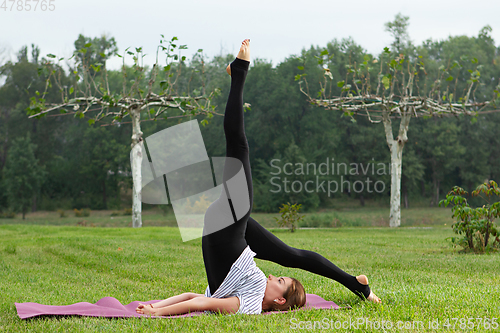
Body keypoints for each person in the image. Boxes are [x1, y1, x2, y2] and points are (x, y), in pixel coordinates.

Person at [136, 39, 380, 317]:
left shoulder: (250, 302)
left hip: (227, 230)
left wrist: (157, 311)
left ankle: (239, 71)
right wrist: (157, 307)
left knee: (238, 146)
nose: (273, 277)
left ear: (277, 302)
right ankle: (357, 284)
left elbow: (200, 302)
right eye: (280, 279)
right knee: (291, 256)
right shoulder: (253, 293)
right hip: (228, 230)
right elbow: (196, 298)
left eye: (279, 282)